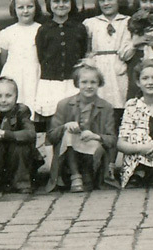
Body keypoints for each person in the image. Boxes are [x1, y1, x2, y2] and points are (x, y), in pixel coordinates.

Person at [46, 60, 116, 191]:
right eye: (84, 82)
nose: (88, 86)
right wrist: (65, 126)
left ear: (99, 84)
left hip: (93, 155)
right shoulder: (64, 104)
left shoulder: (106, 107)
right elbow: (51, 136)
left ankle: (88, 176)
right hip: (70, 155)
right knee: (69, 133)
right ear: (77, 83)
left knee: (94, 148)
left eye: (93, 82)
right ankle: (75, 176)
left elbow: (112, 139)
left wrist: (95, 136)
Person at [35, 0, 88, 124]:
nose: (61, 5)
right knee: (53, 120)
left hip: (72, 82)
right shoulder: (44, 30)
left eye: (65, 1)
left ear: (71, 3)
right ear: (49, 4)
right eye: (56, 1)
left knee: (74, 119)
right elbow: (41, 56)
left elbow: (83, 52)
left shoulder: (79, 28)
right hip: (51, 81)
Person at [83, 0, 133, 113]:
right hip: (98, 66)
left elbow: (127, 51)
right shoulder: (91, 23)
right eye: (102, 0)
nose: (106, 3)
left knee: (119, 102)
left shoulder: (126, 22)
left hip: (118, 66)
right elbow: (86, 49)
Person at [0, 0, 46, 120]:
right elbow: (3, 58)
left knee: (33, 107)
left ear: (36, 7)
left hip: (34, 74)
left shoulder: (41, 30)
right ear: (14, 9)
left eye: (30, 7)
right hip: (14, 73)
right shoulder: (7, 32)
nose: (25, 11)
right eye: (20, 7)